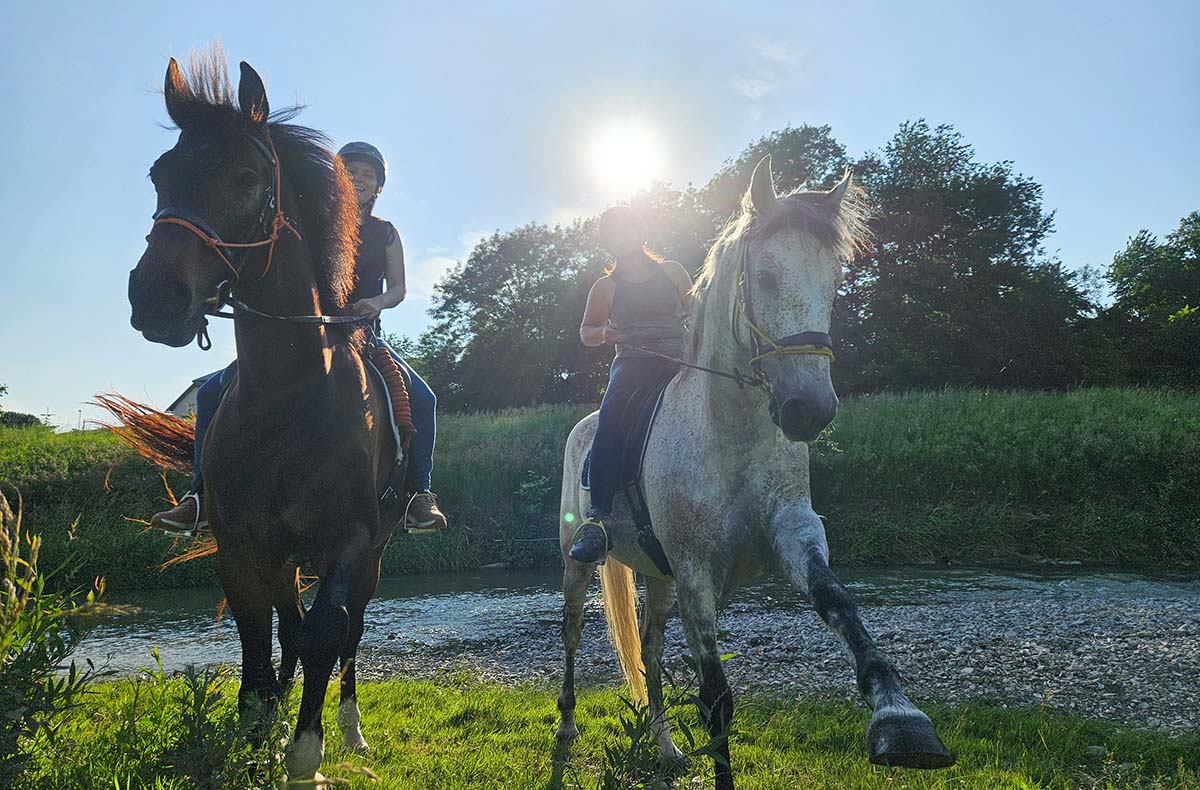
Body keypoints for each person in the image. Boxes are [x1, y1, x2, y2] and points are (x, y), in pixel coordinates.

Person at [151, 141, 446, 535]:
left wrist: (375, 302)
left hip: (361, 333)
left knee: (424, 399)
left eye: (368, 174)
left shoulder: (386, 233)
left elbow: (399, 289)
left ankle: (418, 496)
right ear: (336, 180)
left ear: (378, 187)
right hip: (302, 333)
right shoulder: (312, 223)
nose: (359, 177)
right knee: (207, 395)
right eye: (351, 171)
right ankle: (199, 498)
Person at [567, 206, 692, 564]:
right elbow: (586, 331)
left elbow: (695, 308)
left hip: (682, 359)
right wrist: (604, 332)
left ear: (641, 232)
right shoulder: (606, 286)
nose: (621, 238)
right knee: (611, 417)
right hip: (634, 365)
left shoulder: (673, 272)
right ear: (607, 243)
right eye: (613, 234)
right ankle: (598, 518)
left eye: (627, 229)